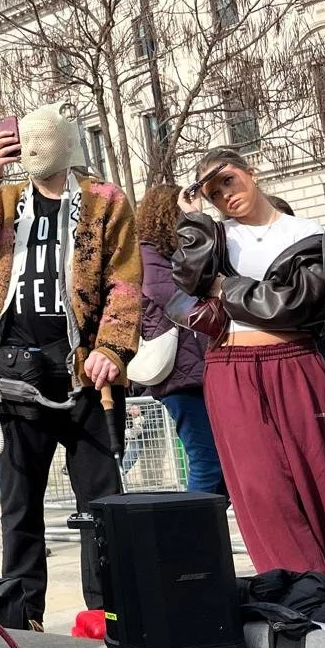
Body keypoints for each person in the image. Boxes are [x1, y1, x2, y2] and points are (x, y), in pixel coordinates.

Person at [0, 103, 142, 627]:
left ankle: (110, 613)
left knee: (101, 504)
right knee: (19, 506)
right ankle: (23, 618)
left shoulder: (104, 202)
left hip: (83, 373)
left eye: (41, 142)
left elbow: (124, 279)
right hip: (13, 372)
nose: (30, 151)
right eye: (23, 142)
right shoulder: (7, 200)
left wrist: (112, 348)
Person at [173, 149, 325, 577]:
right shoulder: (213, 237)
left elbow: (303, 306)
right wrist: (194, 220)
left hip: (297, 363)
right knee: (260, 491)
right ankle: (301, 593)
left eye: (228, 180)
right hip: (231, 368)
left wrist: (225, 288)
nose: (225, 195)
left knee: (315, 482)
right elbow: (189, 279)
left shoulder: (310, 232)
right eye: (213, 193)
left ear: (251, 171)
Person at [134, 184, 226, 496]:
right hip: (181, 376)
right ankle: (188, 537)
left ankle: (205, 537)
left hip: (199, 371)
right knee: (207, 463)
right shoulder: (148, 257)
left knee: (221, 467)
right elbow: (178, 300)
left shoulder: (169, 256)